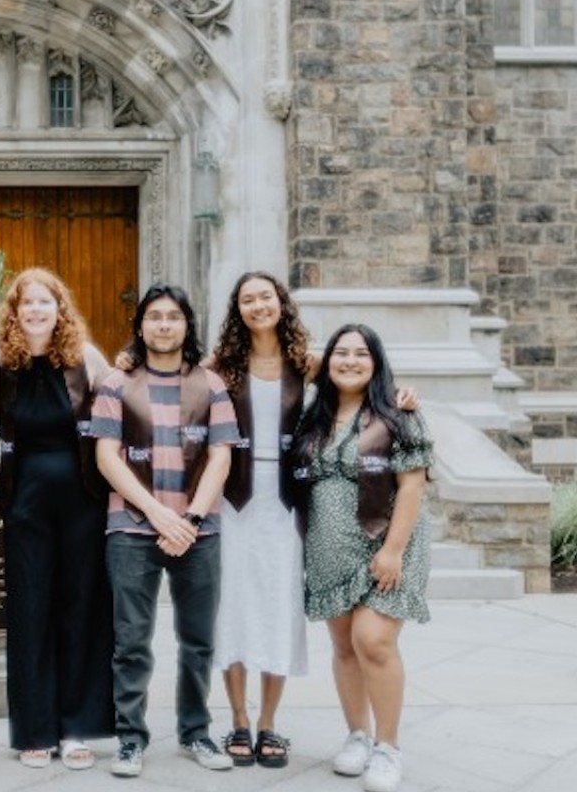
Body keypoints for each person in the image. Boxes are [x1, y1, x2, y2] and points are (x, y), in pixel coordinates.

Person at [92, 283, 239, 778]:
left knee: (197, 640)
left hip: (201, 532)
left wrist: (191, 519)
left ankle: (196, 730)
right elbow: (106, 456)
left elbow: (221, 456)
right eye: (154, 316)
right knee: (131, 641)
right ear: (141, 325)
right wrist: (158, 514)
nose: (163, 325)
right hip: (132, 529)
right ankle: (130, 738)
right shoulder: (116, 382)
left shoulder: (211, 384)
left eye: (173, 316)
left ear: (186, 325)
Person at [0, 268, 114, 770]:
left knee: (81, 608)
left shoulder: (86, 360)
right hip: (26, 504)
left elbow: (118, 418)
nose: (36, 310)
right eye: (26, 303)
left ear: (61, 309)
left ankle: (77, 727)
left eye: (45, 302)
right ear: (14, 313)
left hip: (84, 500)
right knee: (31, 612)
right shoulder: (1, 366)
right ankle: (35, 731)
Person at [292, 323, 432, 792]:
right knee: (345, 646)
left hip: (386, 543)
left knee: (373, 640)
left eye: (360, 354)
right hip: (330, 547)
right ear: (326, 362)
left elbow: (412, 484)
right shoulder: (312, 419)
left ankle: (388, 747)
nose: (349, 361)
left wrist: (393, 550)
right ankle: (357, 734)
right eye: (340, 354)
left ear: (377, 363)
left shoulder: (397, 416)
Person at [206, 271, 314, 768]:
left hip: (286, 501)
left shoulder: (305, 363)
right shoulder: (222, 365)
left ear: (280, 302)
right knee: (233, 605)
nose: (257, 306)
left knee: (279, 604)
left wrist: (404, 398)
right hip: (234, 499)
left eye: (264, 297)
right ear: (238, 310)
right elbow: (177, 381)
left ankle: (270, 722)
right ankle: (238, 721)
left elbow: (363, 380)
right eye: (247, 300)